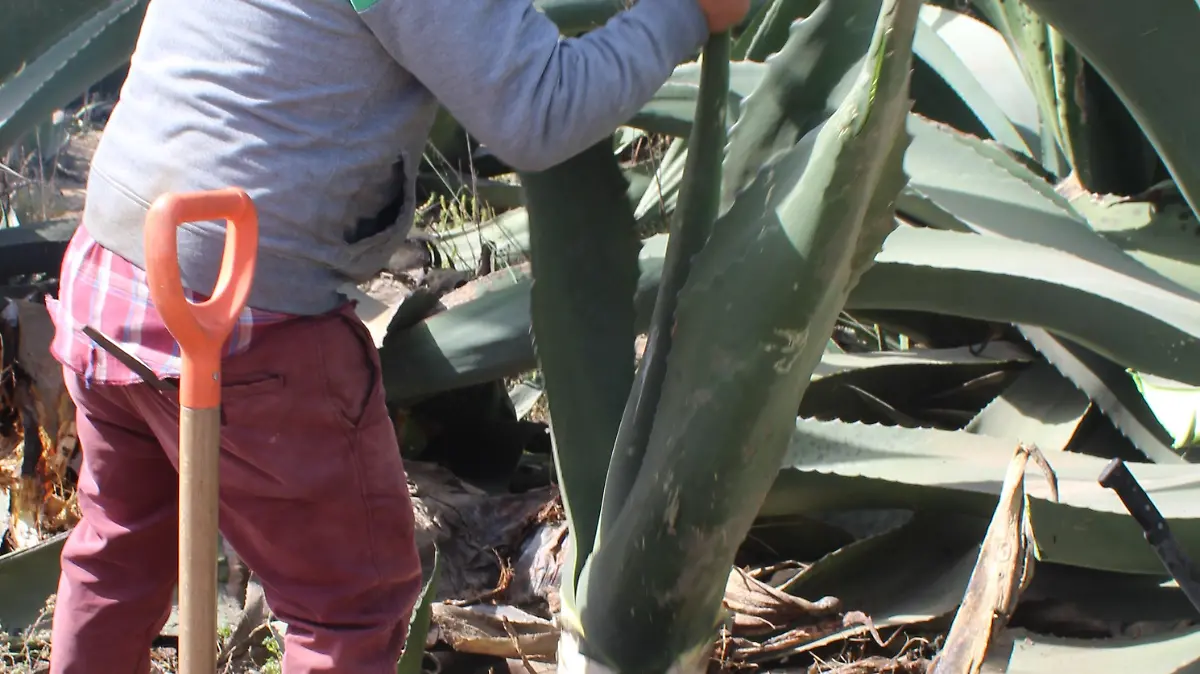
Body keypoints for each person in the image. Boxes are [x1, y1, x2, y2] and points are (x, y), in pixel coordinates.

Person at [43, 0, 750, 672]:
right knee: (346, 607)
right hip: (245, 320)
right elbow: (539, 109)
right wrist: (683, 15)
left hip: (112, 274)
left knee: (117, 553)